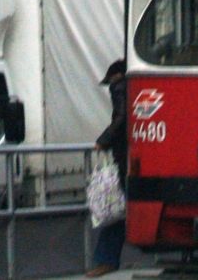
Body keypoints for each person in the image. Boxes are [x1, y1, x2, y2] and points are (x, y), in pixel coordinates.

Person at [87, 59, 127, 278]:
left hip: (124, 158)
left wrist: (104, 140)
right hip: (134, 156)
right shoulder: (131, 87)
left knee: (114, 212)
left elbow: (121, 117)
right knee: (119, 211)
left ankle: (106, 261)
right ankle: (107, 260)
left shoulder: (119, 87)